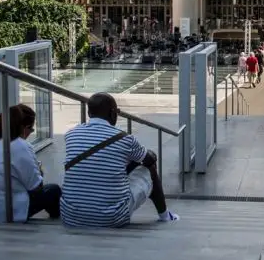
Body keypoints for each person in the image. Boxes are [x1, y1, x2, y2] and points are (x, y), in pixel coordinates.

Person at [60, 93, 179, 227]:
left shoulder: (71, 135)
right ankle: (165, 216)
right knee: (150, 168)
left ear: (88, 113)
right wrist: (151, 154)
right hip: (112, 218)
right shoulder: (124, 139)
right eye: (117, 111)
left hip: (71, 217)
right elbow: (149, 159)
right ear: (113, 113)